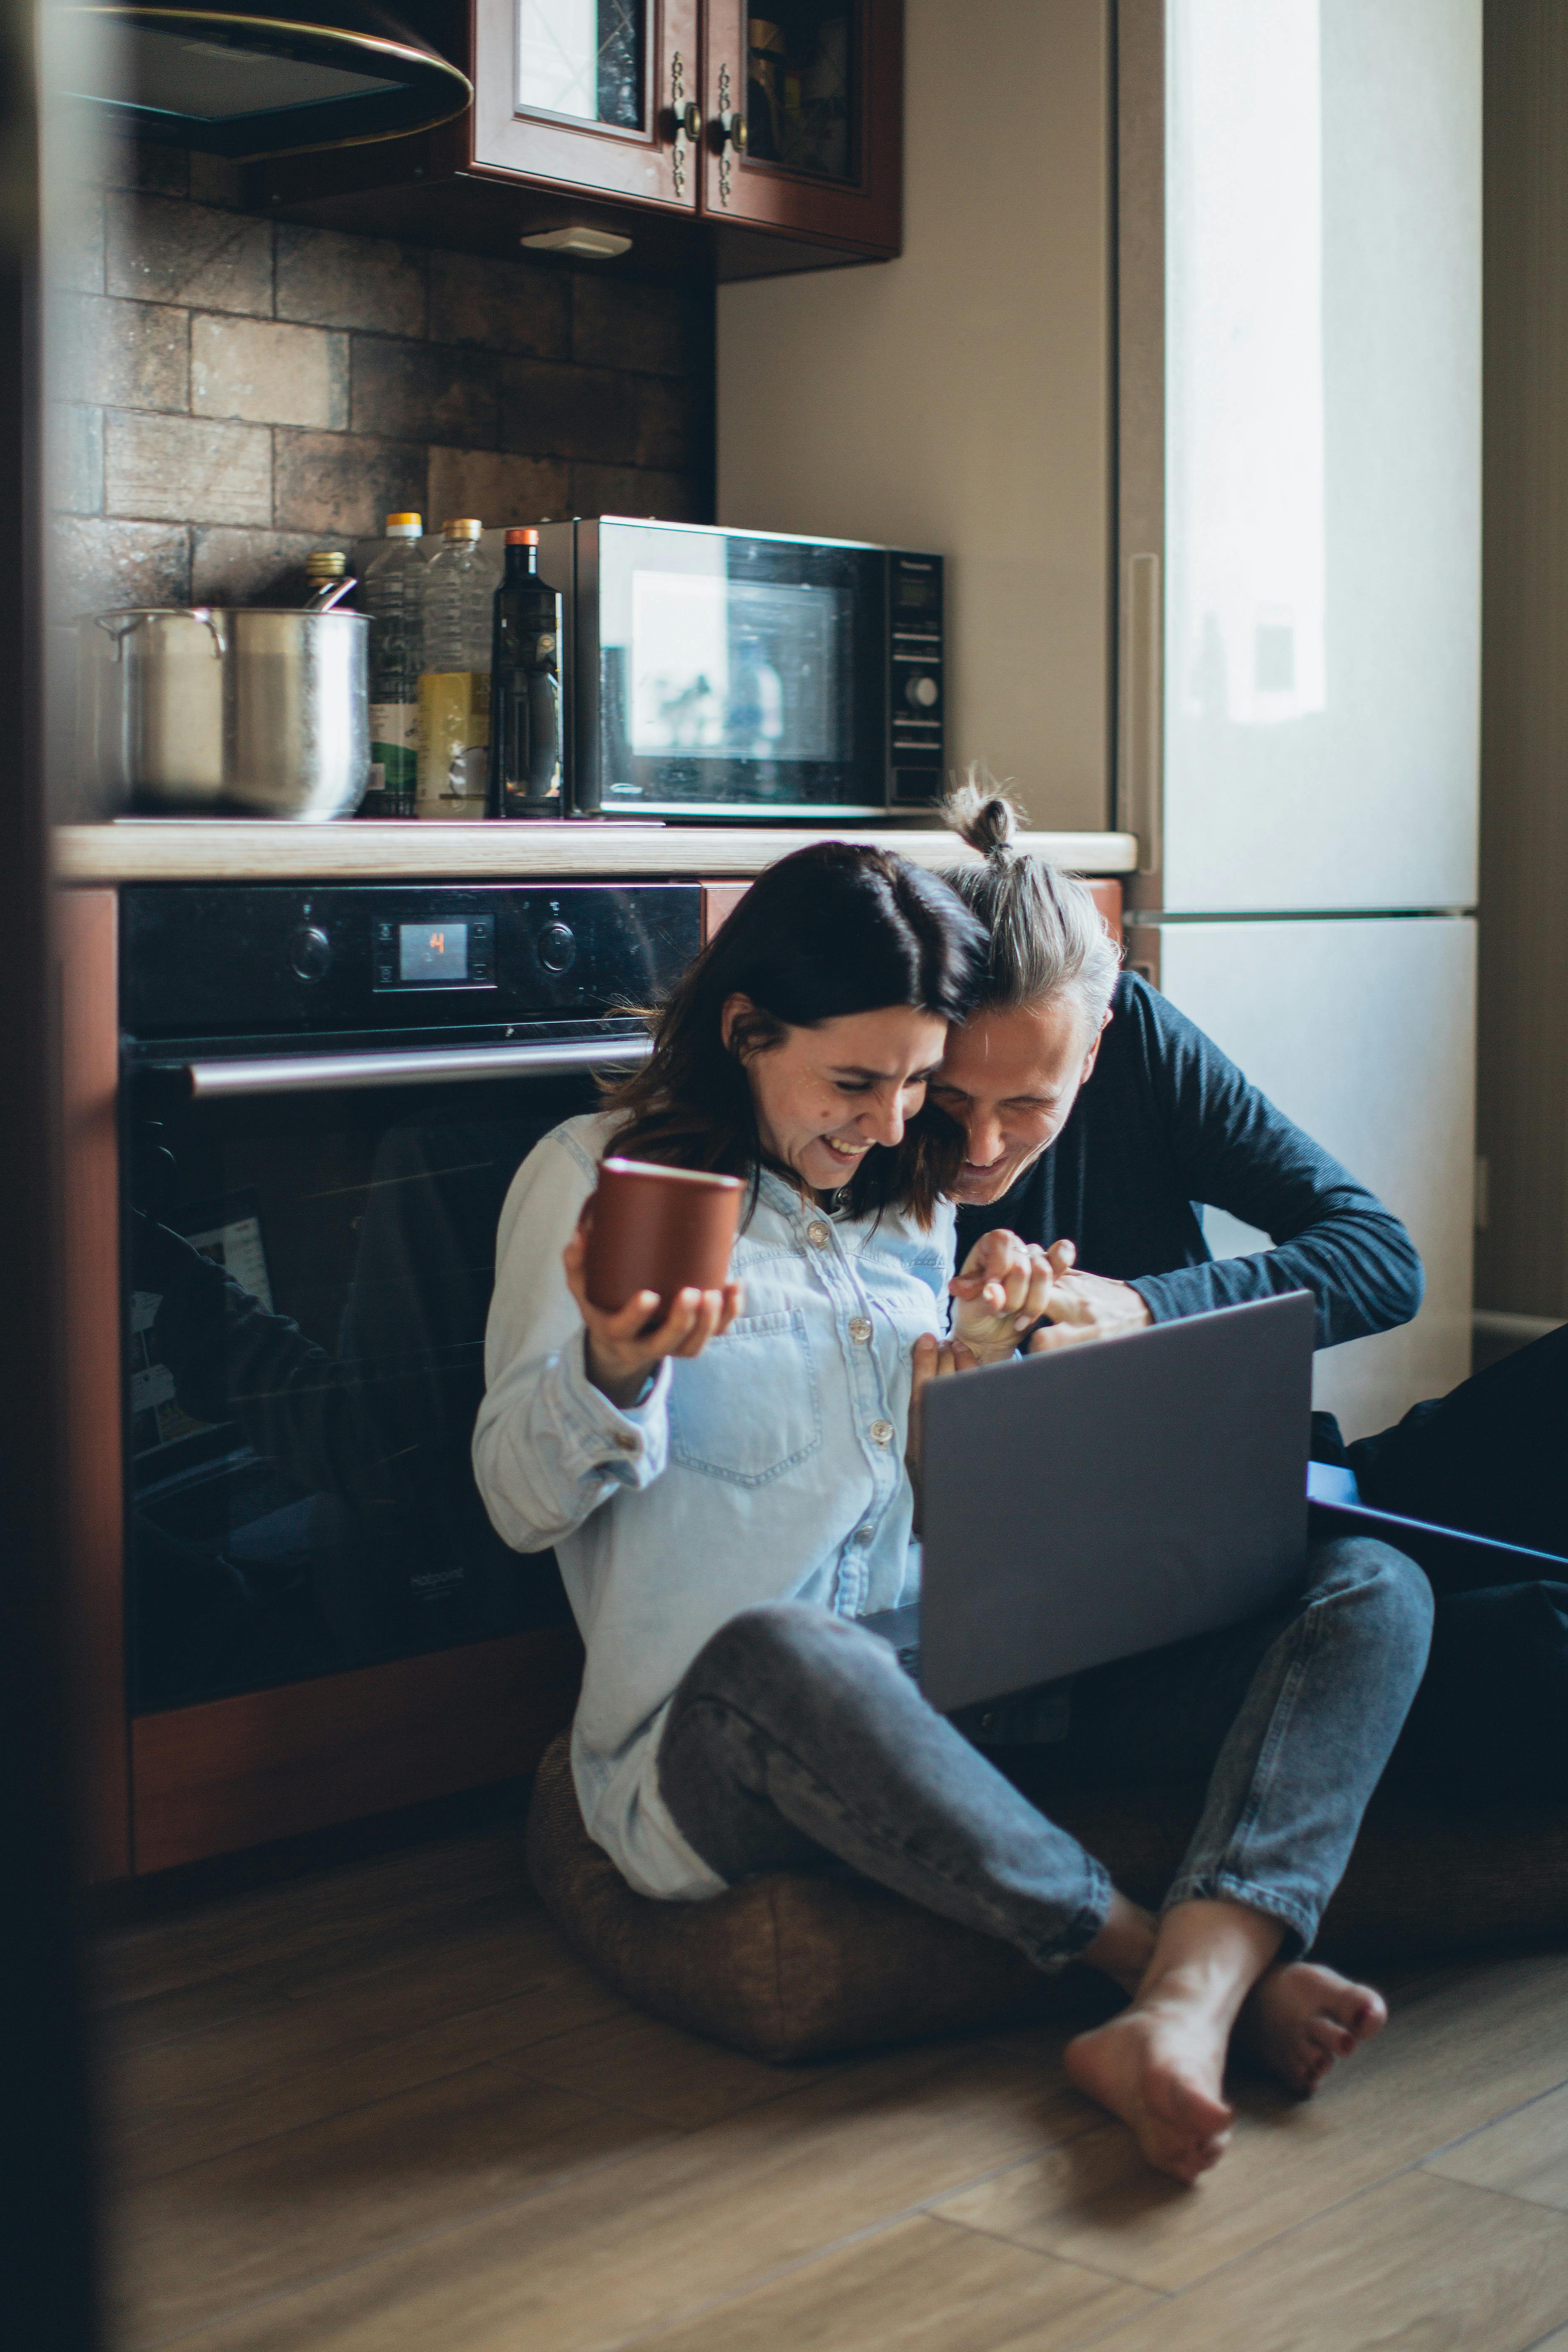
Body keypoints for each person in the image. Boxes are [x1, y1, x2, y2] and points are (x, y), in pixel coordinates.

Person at [474, 839, 1433, 2184]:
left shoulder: (909, 1220)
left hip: (951, 1698)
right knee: (787, 1650)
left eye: (914, 1086)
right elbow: (519, 1506)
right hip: (732, 1737)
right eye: (856, 1082)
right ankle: (1160, 1971)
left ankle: (1189, 1999)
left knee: (1371, 1587)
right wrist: (614, 1369)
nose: (891, 1125)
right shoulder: (594, 1181)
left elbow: (903, 1532)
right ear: (749, 1032)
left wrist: (976, 1410)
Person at [934, 782, 1568, 1804]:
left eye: (1029, 1106)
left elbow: (1378, 1258)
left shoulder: (1135, 1036)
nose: (980, 1147)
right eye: (950, 1099)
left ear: (1093, 1048)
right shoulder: (866, 1118)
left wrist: (1142, 1310)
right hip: (1156, 1593)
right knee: (1541, 1645)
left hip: (1299, 1492)